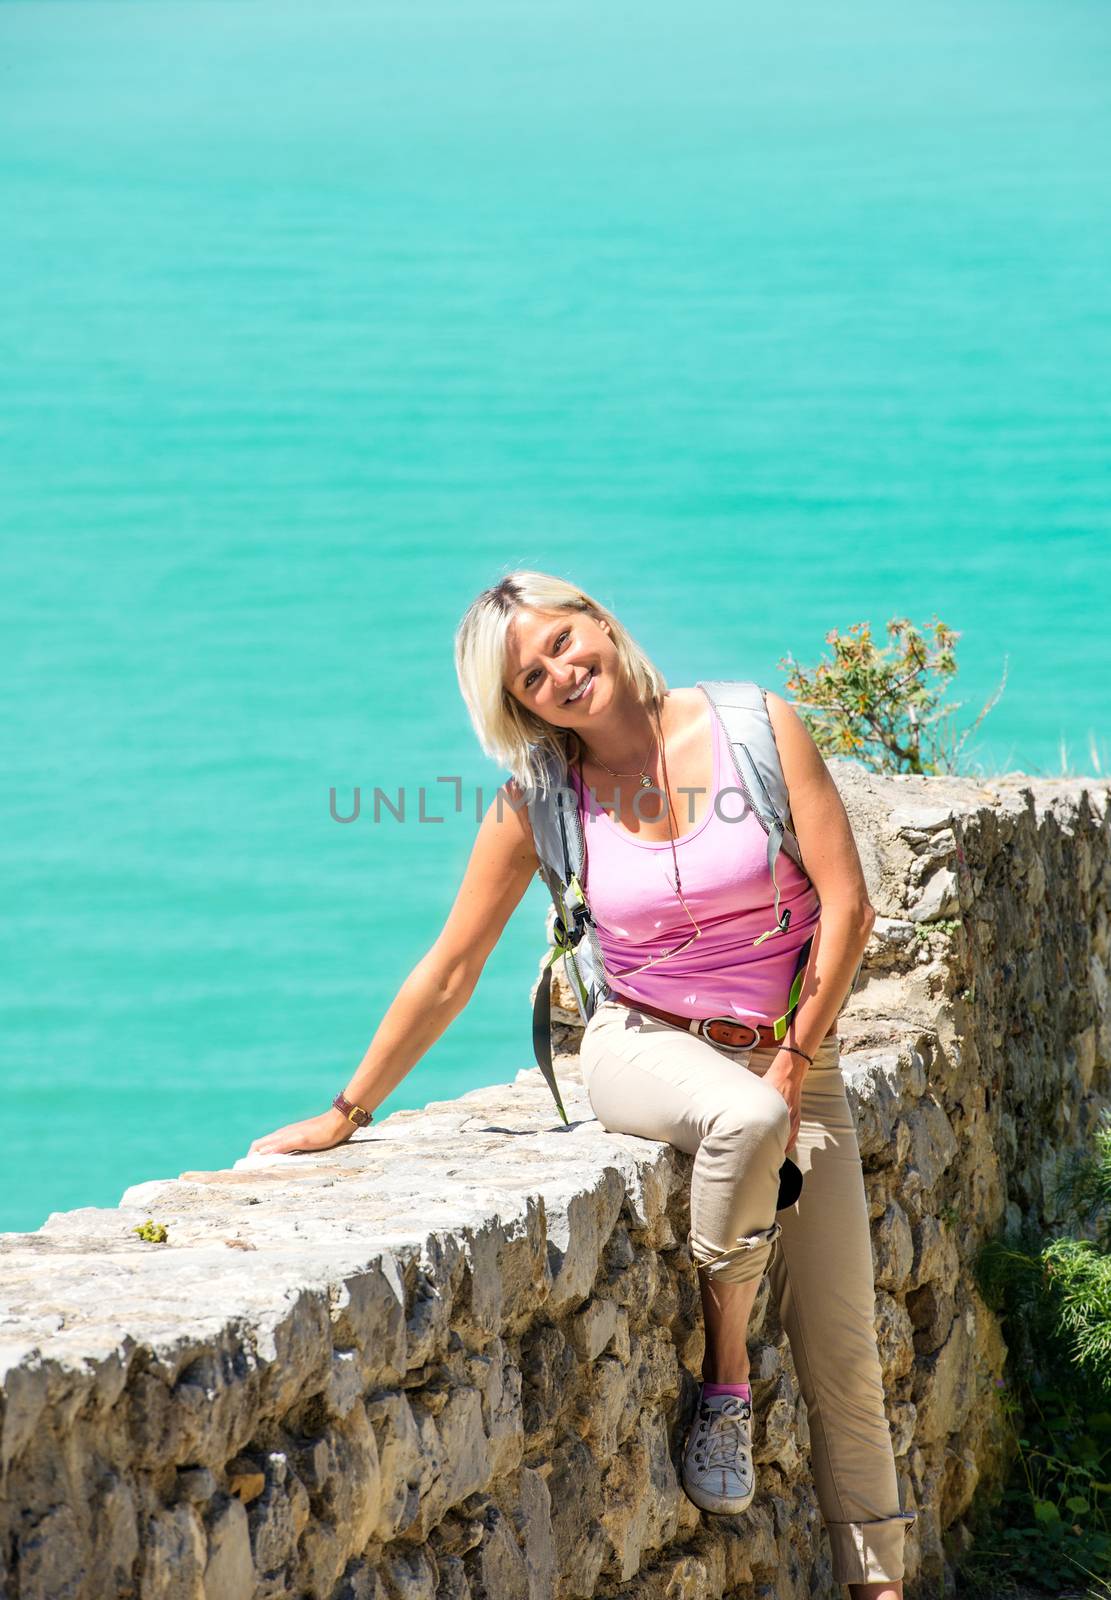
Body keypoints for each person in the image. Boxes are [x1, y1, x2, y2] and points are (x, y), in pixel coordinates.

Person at [249, 571, 917, 1598]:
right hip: (638, 1043)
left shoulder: (752, 726)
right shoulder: (537, 801)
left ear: (603, 623)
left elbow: (848, 905)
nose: (564, 671)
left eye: (567, 640)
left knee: (844, 1345)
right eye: (532, 673)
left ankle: (878, 1584)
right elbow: (451, 970)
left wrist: (793, 1057)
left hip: (787, 1052)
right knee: (742, 1115)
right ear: (515, 704)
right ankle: (724, 1375)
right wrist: (348, 1111)